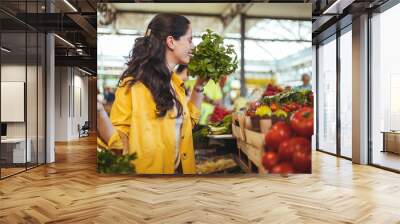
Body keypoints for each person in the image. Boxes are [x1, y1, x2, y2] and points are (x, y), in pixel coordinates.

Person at [97, 13, 207, 174]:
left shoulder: (175, 84)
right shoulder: (134, 84)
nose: (193, 46)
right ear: (171, 42)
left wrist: (200, 85)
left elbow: (188, 124)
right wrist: (100, 114)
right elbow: (119, 141)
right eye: (190, 40)